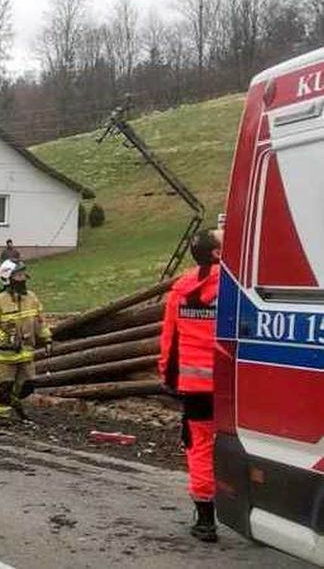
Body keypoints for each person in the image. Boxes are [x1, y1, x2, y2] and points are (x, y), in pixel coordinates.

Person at [159, 229, 223, 543]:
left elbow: (169, 342)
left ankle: (205, 518)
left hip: (196, 388)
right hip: (232, 387)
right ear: (216, 254)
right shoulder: (232, 289)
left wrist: (168, 380)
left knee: (199, 447)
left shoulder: (180, 291)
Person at [0, 260, 51, 423]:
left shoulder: (31, 298)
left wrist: (46, 338)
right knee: (4, 385)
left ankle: (13, 402)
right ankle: (0, 415)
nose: (23, 278)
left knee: (28, 384)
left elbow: (40, 321)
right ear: (7, 278)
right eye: (18, 275)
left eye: (23, 274)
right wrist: (2, 339)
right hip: (6, 355)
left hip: (26, 353)